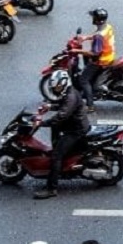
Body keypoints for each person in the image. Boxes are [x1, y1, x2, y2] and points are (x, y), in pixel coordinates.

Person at [32, 71, 89, 200]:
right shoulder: (68, 93)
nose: (55, 89)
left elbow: (61, 116)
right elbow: (63, 107)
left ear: (63, 84)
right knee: (56, 130)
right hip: (72, 124)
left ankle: (51, 189)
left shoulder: (71, 96)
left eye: (57, 87)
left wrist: (42, 123)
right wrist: (50, 106)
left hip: (76, 130)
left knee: (56, 155)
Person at [76, 8, 115, 104]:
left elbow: (95, 53)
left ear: (97, 20)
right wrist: (86, 37)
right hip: (109, 56)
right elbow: (97, 36)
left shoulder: (99, 36)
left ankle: (90, 105)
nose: (92, 19)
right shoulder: (107, 27)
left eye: (93, 17)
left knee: (83, 80)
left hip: (101, 61)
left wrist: (77, 51)